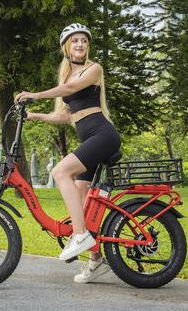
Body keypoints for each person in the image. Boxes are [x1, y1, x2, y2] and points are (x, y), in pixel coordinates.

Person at [15, 23, 121, 284]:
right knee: (83, 197)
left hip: (102, 135)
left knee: (59, 171)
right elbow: (64, 115)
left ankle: (81, 234)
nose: (80, 44)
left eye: (84, 41)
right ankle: (96, 261)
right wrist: (34, 115)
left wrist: (35, 95)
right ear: (66, 47)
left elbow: (72, 90)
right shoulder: (66, 78)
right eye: (75, 41)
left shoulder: (93, 69)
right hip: (90, 137)